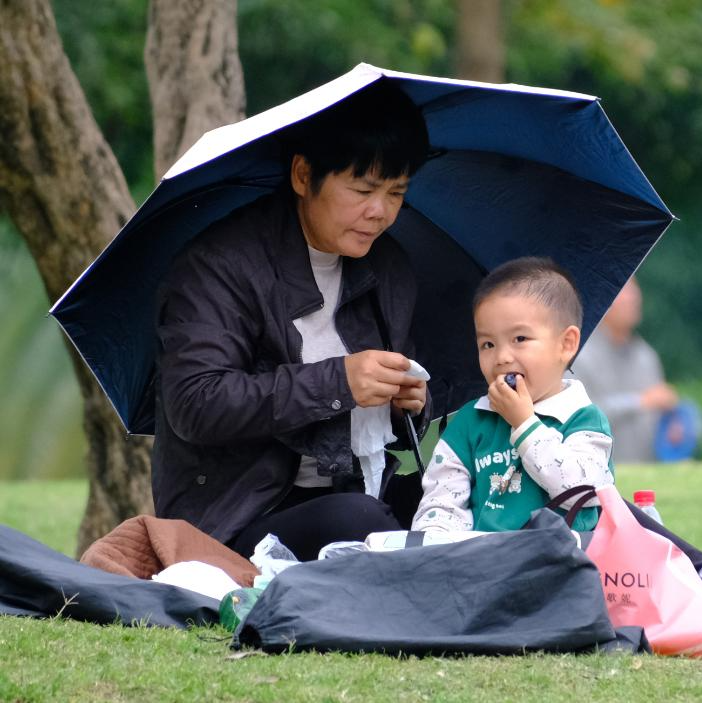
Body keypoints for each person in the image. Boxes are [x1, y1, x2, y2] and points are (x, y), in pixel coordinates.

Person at [152, 81, 432, 561]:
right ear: (303, 175)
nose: (380, 212)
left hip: (356, 493)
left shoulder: (389, 268)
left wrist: (410, 403)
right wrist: (339, 381)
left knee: (464, 500)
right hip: (238, 516)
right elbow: (196, 403)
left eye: (396, 192)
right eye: (363, 189)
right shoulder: (220, 265)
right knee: (360, 523)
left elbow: (390, 423)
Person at [411, 257, 613, 532]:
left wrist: (525, 424)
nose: (502, 357)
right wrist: (440, 540)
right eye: (488, 344)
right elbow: (442, 501)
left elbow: (584, 492)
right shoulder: (470, 421)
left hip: (561, 554)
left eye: (520, 339)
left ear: (566, 344)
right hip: (487, 554)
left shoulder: (582, 419)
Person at [571, 278, 695, 463]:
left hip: (648, 472)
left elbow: (659, 418)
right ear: (602, 299)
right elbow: (577, 417)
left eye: (634, 290)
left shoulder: (646, 356)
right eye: (625, 291)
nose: (633, 298)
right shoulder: (579, 355)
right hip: (595, 470)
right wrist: (639, 402)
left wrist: (674, 423)